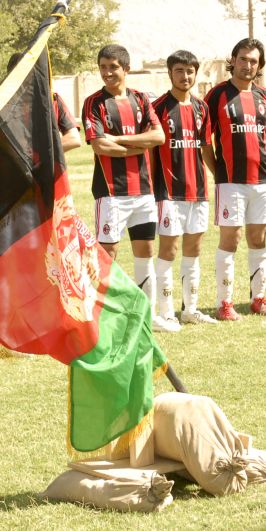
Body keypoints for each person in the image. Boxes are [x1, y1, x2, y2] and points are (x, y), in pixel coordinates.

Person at [82, 44, 168, 330]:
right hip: (111, 193)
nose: (107, 72)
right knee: (107, 256)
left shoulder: (142, 99)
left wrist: (118, 140)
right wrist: (135, 144)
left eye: (113, 67)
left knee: (145, 253)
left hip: (144, 192)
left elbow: (158, 137)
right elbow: (98, 145)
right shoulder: (94, 102)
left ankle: (148, 315)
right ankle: (103, 317)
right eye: (103, 66)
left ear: (126, 69)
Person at [202, 38, 266, 319]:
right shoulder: (216, 96)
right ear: (232, 60)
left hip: (262, 181)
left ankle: (258, 299)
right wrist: (218, 173)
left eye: (254, 61)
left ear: (259, 66)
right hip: (230, 181)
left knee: (258, 239)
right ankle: (225, 303)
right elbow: (205, 142)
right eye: (243, 59)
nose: (248, 65)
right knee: (231, 241)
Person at [151, 50, 217, 327]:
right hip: (169, 192)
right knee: (169, 250)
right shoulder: (157, 108)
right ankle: (166, 312)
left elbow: (205, 147)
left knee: (194, 249)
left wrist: (217, 178)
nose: (185, 76)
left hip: (198, 191)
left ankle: (190, 310)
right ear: (170, 74)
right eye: (179, 71)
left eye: (189, 71)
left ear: (195, 74)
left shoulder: (202, 108)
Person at [5, 51, 81, 153]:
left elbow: (74, 139)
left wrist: (33, 152)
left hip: (53, 169)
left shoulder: (53, 99)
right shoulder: (3, 106)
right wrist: (55, 141)